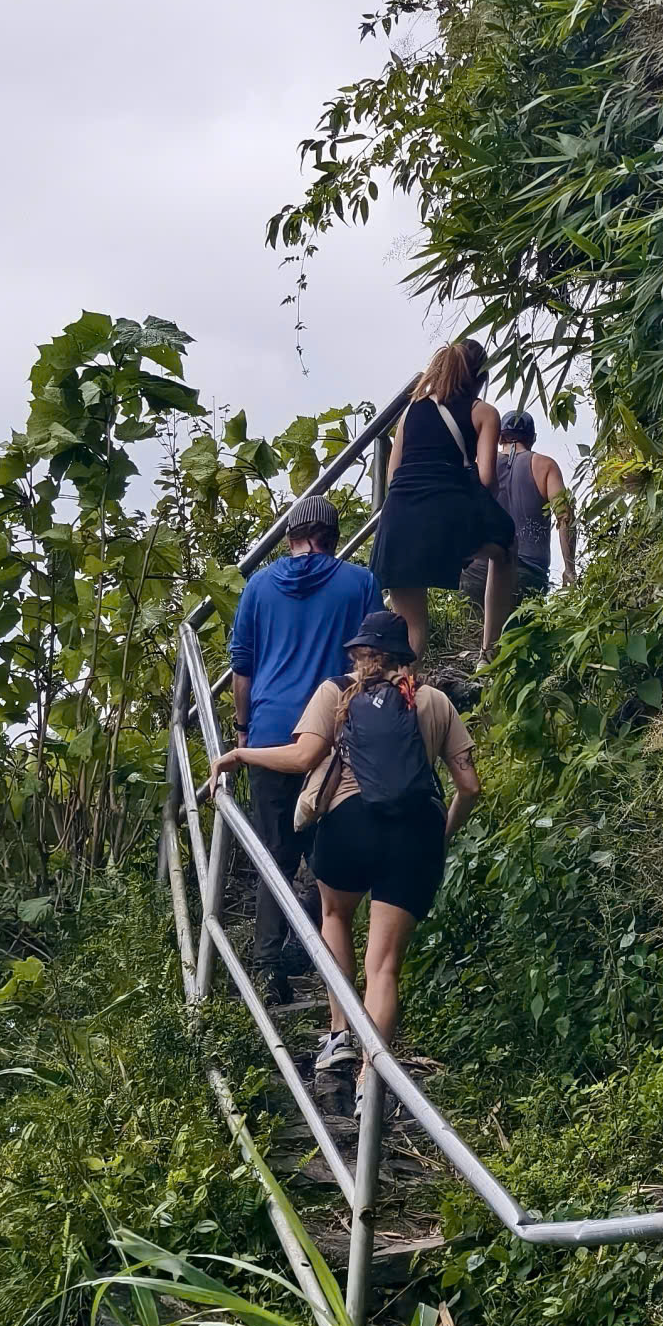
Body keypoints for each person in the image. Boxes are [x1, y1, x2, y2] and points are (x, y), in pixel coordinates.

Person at [210, 608, 479, 1115]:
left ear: (359, 655)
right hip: (416, 832)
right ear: (405, 656)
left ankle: (339, 1035)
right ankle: (371, 1081)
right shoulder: (435, 700)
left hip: (349, 824)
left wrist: (240, 755)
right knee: (385, 968)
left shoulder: (337, 692)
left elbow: (302, 759)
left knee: (334, 915)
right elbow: (469, 786)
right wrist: (442, 832)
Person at [227, 490, 380, 1000]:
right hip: (334, 739)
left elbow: (242, 672)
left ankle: (270, 970)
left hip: (270, 737)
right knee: (332, 852)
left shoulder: (256, 587)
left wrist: (243, 732)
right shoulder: (358, 583)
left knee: (274, 854)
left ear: (290, 536)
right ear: (332, 539)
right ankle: (317, 947)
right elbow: (374, 660)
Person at [371, 339, 516, 661]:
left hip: (399, 519)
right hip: (446, 513)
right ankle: (488, 652)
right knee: (505, 548)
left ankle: (400, 696)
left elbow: (393, 476)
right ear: (480, 377)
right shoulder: (484, 412)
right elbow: (487, 479)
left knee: (411, 627)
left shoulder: (410, 411)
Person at [459, 409, 577, 612]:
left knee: (476, 639)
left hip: (478, 572)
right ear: (532, 438)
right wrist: (569, 568)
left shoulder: (481, 465)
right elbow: (565, 517)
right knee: (520, 640)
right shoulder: (545, 466)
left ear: (499, 438)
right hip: (527, 573)